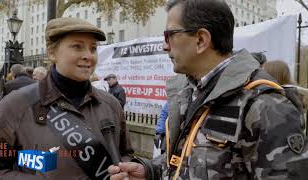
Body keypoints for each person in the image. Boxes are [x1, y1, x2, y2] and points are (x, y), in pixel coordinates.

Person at [108, 0, 307, 179]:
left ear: (201, 40)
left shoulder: (265, 104)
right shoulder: (190, 92)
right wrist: (150, 170)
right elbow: (186, 159)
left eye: (169, 35)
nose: (164, 46)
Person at [0, 17, 133, 179]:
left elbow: (126, 154)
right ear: (52, 53)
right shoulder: (16, 105)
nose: (88, 56)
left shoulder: (111, 105)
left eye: (93, 48)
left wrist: (124, 170)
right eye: (77, 47)